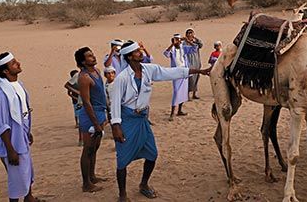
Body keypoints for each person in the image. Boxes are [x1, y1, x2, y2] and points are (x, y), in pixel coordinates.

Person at [110, 40, 210, 201]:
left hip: (142, 119)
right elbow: (114, 103)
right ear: (129, 56)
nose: (140, 52)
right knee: (122, 159)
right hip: (127, 120)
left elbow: (171, 72)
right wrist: (116, 126)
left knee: (152, 154)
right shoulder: (122, 78)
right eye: (136, 51)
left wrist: (200, 71)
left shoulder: (149, 69)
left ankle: (143, 184)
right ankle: (122, 194)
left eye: (140, 50)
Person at [0, 52, 39, 201]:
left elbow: (23, 112)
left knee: (26, 172)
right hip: (13, 142)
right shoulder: (2, 94)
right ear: (5, 71)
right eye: (13, 63)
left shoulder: (19, 86)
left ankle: (29, 198)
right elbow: (3, 124)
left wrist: (28, 131)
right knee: (16, 179)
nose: (18, 63)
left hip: (22, 137)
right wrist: (10, 150)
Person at [74, 47, 108, 193]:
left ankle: (92, 176)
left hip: (99, 113)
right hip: (90, 116)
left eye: (92, 54)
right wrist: (95, 123)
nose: (93, 57)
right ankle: (86, 183)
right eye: (89, 56)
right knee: (87, 149)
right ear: (82, 61)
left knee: (95, 148)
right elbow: (87, 102)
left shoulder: (97, 72)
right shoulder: (84, 77)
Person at [163, 34, 198, 121]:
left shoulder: (183, 48)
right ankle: (172, 113)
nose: (178, 42)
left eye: (179, 40)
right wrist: (172, 44)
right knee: (176, 91)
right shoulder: (172, 50)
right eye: (176, 40)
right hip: (176, 72)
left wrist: (188, 41)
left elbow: (195, 48)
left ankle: (179, 110)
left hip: (184, 71)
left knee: (182, 92)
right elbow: (166, 53)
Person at [184, 28, 203, 100]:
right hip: (189, 62)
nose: (190, 34)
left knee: (196, 77)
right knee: (190, 78)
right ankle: (187, 95)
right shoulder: (184, 43)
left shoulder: (195, 42)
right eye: (188, 33)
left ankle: (194, 93)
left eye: (191, 33)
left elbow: (201, 45)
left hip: (197, 62)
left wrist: (195, 38)